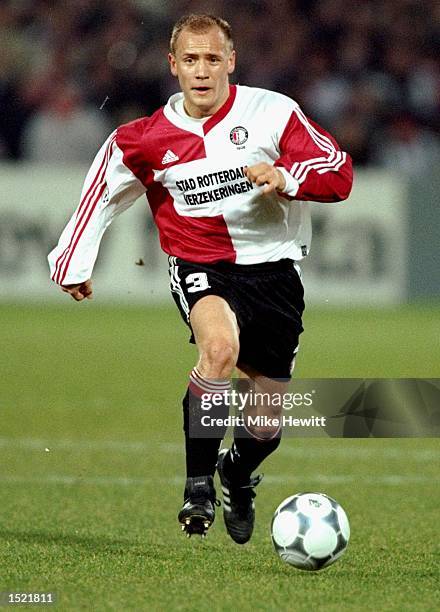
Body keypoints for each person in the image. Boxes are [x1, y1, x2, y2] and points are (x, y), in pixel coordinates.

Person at [48, 14, 353, 543]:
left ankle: (236, 471)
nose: (202, 70)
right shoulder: (144, 139)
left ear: (231, 62)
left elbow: (339, 170)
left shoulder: (273, 112)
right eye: (191, 59)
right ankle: (197, 486)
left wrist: (286, 176)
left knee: (264, 422)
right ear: (173, 66)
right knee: (217, 350)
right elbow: (100, 194)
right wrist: (73, 259)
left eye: (213, 59)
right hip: (199, 264)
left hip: (274, 271)